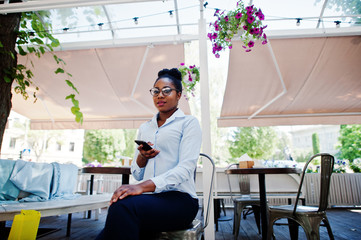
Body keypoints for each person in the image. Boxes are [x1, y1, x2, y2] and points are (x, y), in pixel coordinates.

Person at [95, 68, 202, 240]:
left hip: (180, 200)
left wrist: (140, 187)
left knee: (123, 208)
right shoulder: (146, 127)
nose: (160, 95)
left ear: (179, 95)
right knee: (120, 211)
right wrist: (142, 157)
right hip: (151, 200)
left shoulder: (188, 123)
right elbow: (137, 174)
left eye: (167, 90)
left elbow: (185, 169)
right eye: (156, 91)